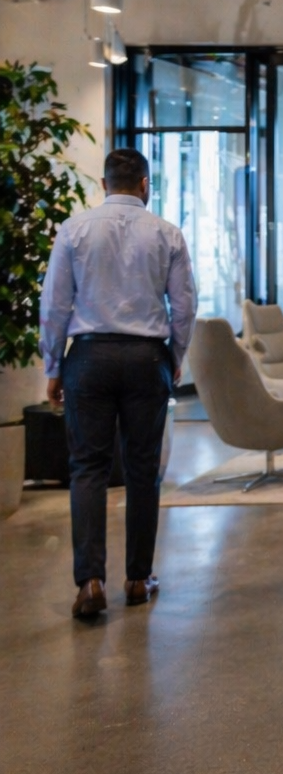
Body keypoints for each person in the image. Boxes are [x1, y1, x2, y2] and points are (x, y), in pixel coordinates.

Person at [41, 148, 196, 620]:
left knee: (87, 467)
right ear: (145, 185)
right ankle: (138, 578)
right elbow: (184, 306)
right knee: (143, 468)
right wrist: (175, 357)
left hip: (88, 359)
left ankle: (90, 582)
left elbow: (54, 305)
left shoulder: (74, 229)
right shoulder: (167, 233)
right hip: (146, 358)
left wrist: (53, 366)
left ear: (104, 184)